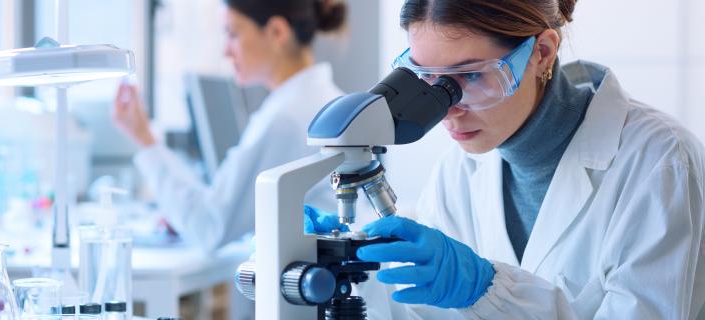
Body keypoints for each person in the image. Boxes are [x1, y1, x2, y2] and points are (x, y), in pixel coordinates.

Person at [306, 0, 705, 318]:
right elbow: (422, 312)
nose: (447, 109)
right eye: (426, 78)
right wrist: (358, 272)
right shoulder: (458, 172)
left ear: (542, 53)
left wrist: (488, 290)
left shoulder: (659, 161)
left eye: (472, 76)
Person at [113, 0, 347, 251]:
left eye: (233, 34)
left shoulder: (286, 118)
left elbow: (208, 226)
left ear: (277, 32)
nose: (226, 51)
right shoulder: (322, 99)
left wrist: (145, 139)